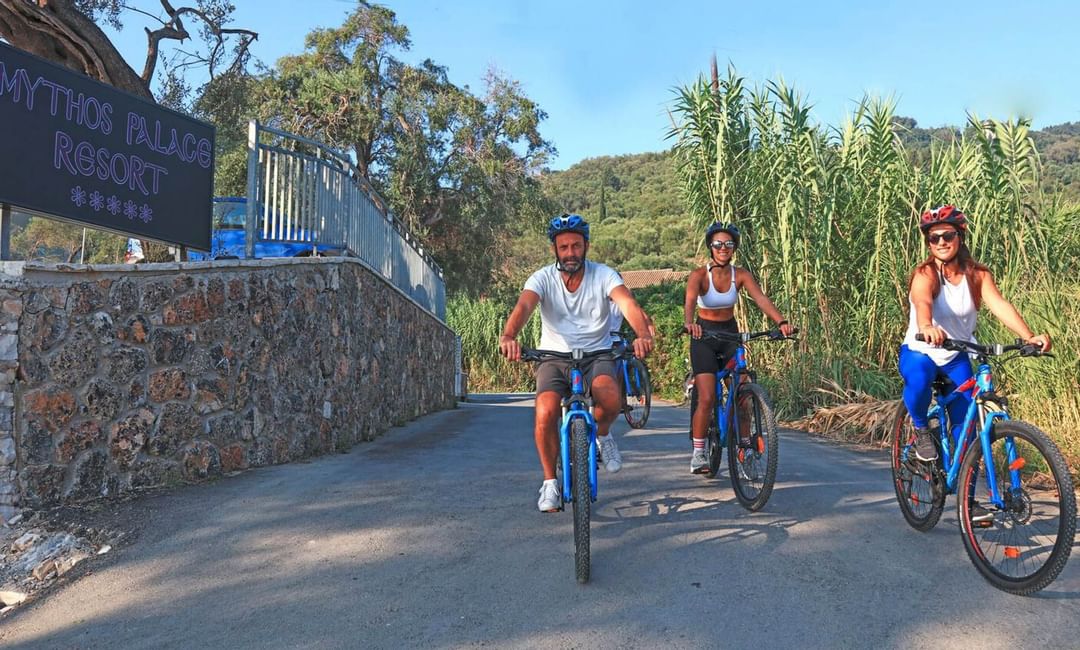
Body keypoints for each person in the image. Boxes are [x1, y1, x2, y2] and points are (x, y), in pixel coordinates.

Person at [499, 214, 654, 512]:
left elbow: (627, 303)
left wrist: (642, 334)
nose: (571, 253)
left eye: (576, 246)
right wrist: (509, 335)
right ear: (554, 250)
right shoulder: (542, 278)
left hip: (598, 354)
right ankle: (549, 483)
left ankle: (604, 436)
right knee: (544, 412)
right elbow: (524, 306)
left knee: (610, 400)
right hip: (554, 357)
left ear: (586, 246)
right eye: (564, 247)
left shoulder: (604, 274)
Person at [899, 206, 1051, 499]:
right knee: (917, 381)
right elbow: (922, 301)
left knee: (965, 431)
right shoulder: (926, 273)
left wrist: (1028, 336)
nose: (941, 242)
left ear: (960, 236)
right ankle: (920, 429)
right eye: (934, 238)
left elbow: (999, 305)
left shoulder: (977, 275)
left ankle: (967, 501)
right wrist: (926, 325)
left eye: (947, 235)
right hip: (922, 349)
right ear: (928, 243)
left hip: (957, 354)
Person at [683, 222, 793, 474]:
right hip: (704, 337)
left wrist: (781, 322)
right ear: (711, 247)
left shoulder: (739, 274)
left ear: (734, 248)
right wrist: (689, 324)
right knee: (708, 397)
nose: (723, 248)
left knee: (743, 395)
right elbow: (690, 300)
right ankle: (699, 453)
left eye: (728, 244)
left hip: (730, 334)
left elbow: (761, 298)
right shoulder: (699, 275)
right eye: (718, 244)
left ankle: (743, 448)